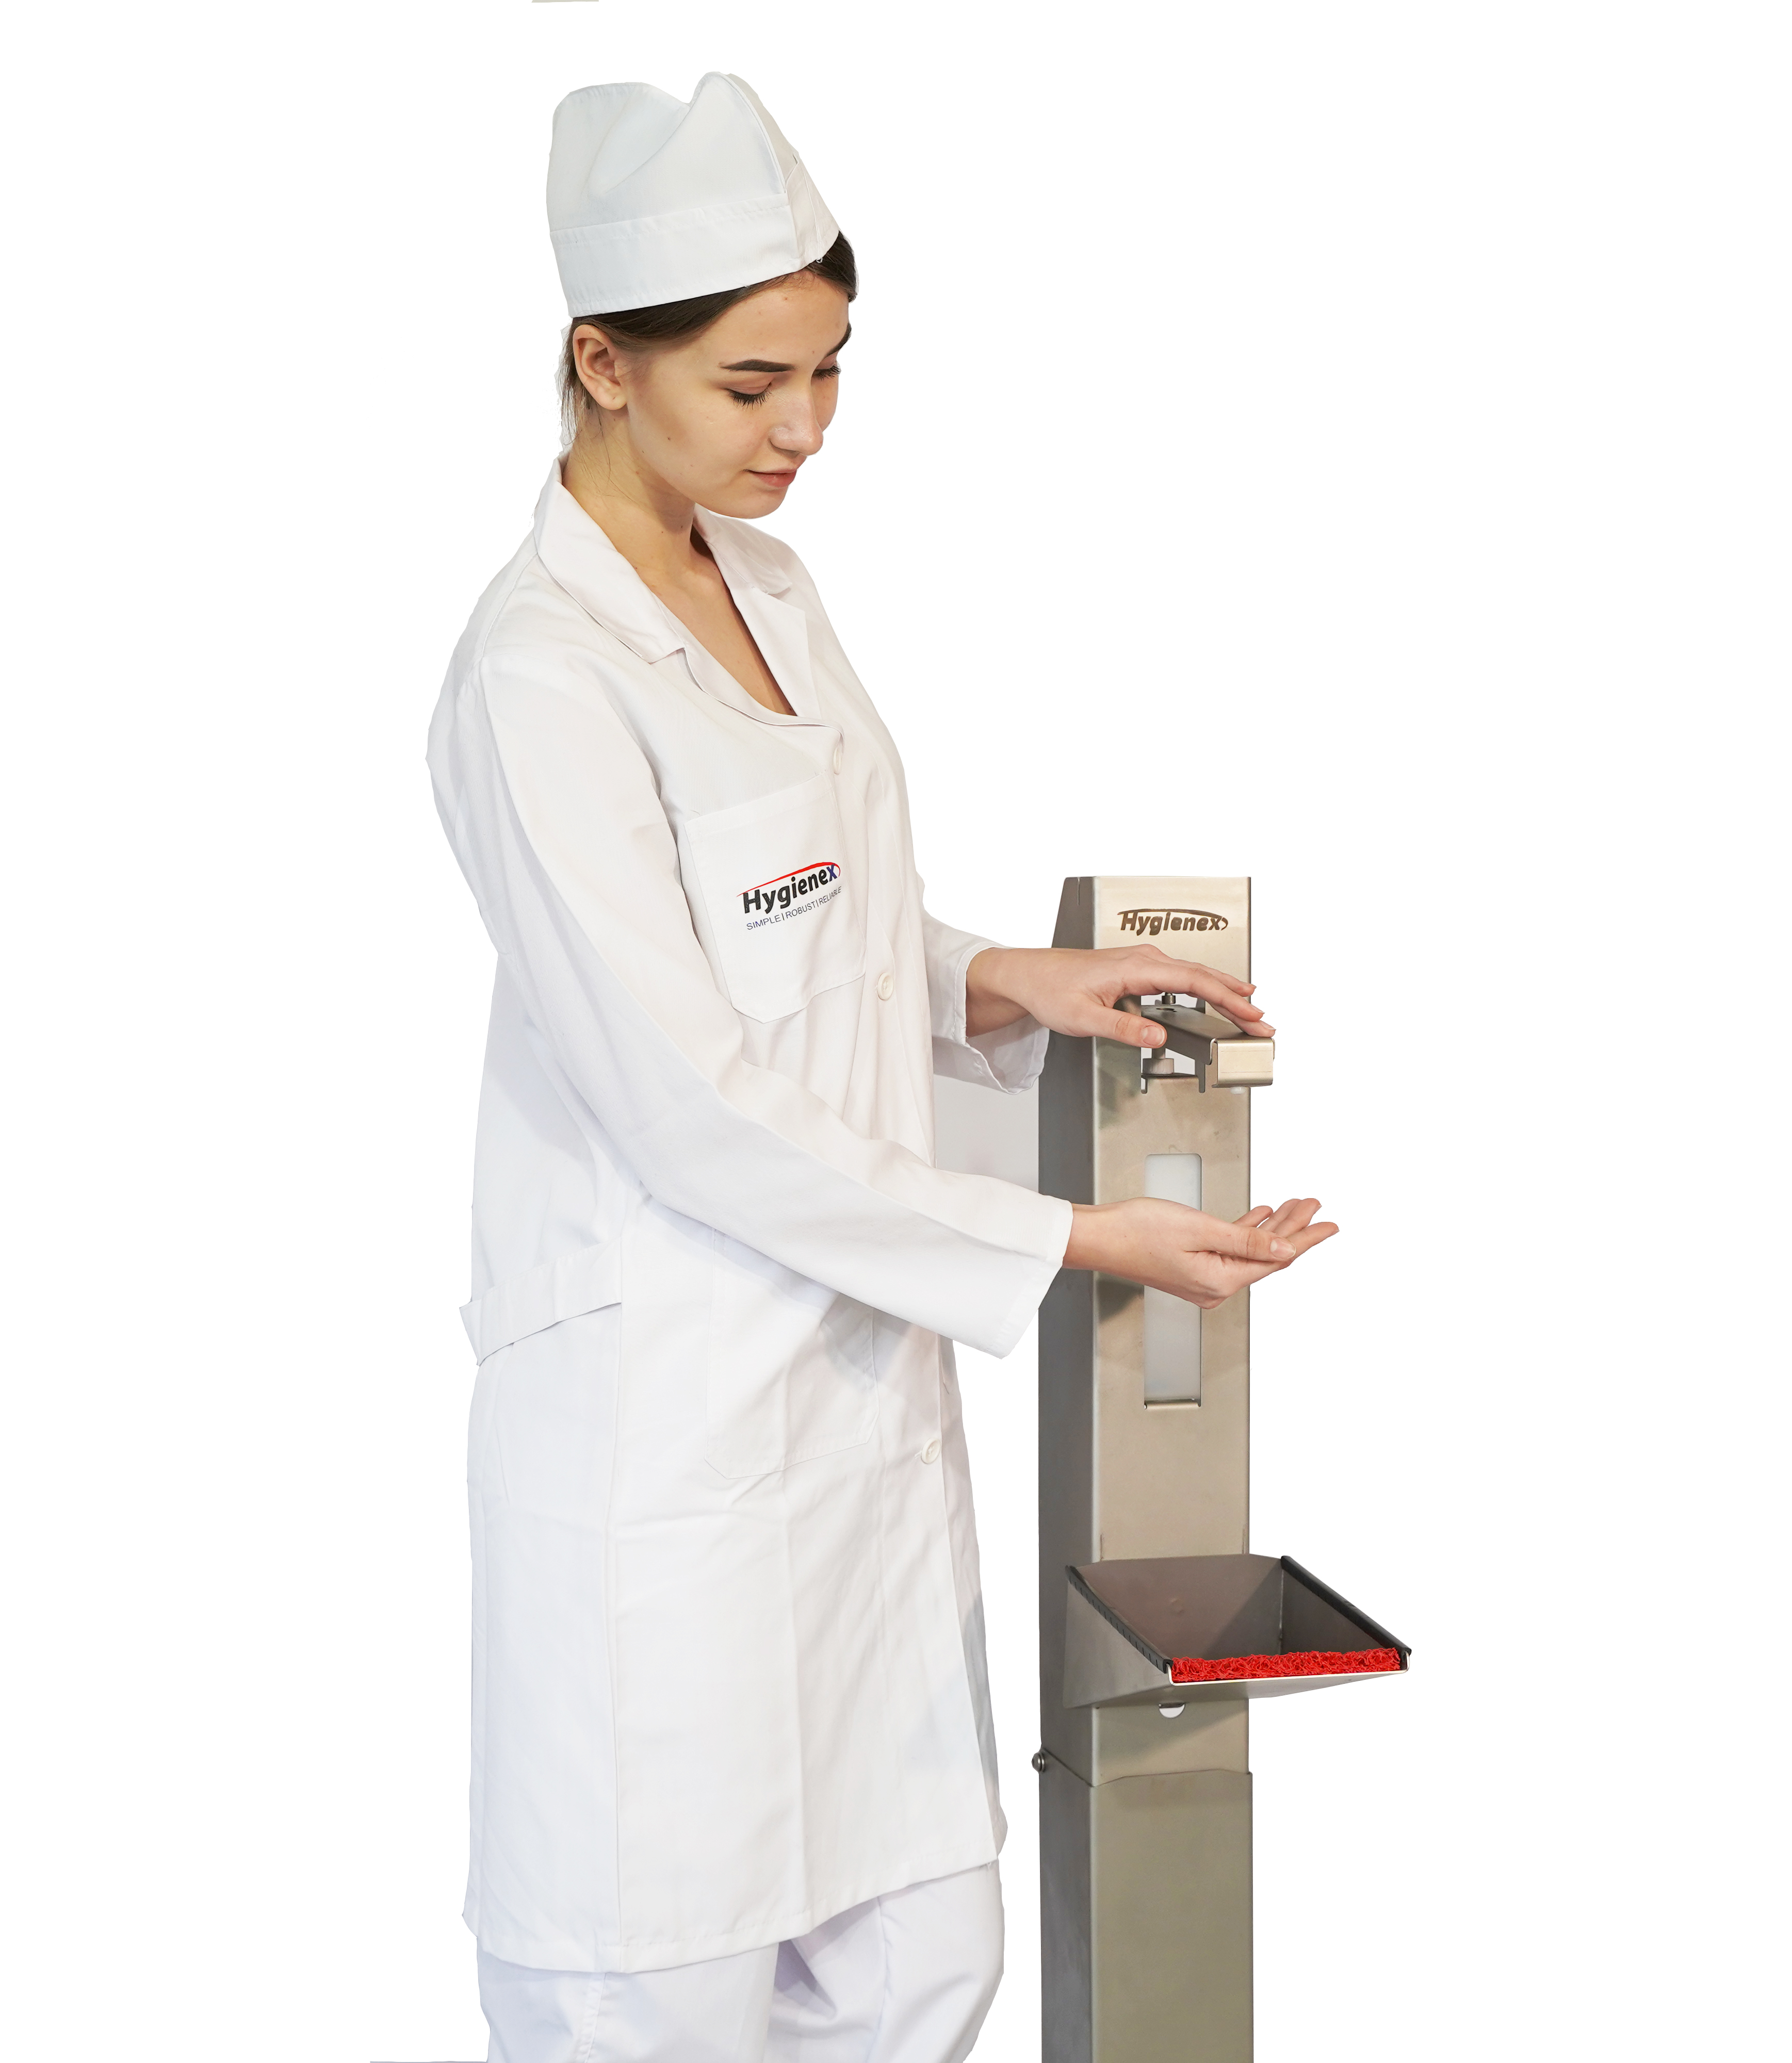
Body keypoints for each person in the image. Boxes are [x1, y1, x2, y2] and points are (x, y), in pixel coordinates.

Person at [425, 73, 1338, 2063]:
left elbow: (813, 924)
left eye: (832, 372)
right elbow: (684, 1090)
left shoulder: (767, 586)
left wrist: (1004, 978)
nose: (806, 429)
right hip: (668, 1418)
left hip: (849, 1402)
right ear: (602, 363)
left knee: (921, 1956)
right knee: (656, 1986)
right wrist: (1074, 1236)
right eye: (753, 382)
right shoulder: (538, 676)